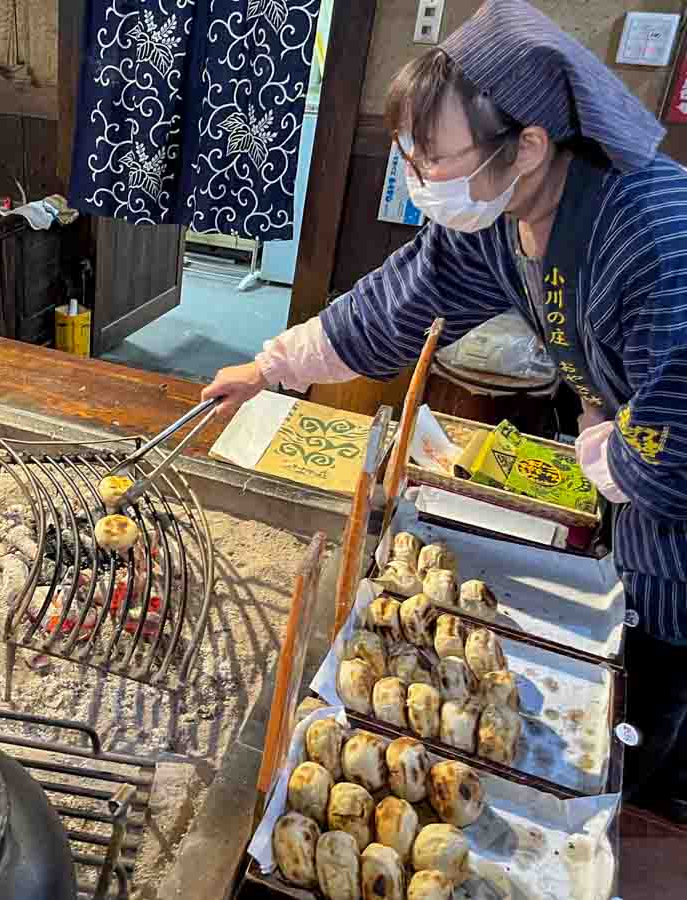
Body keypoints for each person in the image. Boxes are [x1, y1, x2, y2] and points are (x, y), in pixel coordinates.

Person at [203, 0, 687, 820]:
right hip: (629, 461)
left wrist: (613, 453)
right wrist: (270, 365)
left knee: (655, 674)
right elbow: (394, 303)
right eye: (411, 156)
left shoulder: (653, 234)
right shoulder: (504, 216)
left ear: (528, 144)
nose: (421, 179)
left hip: (670, 490)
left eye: (433, 157)